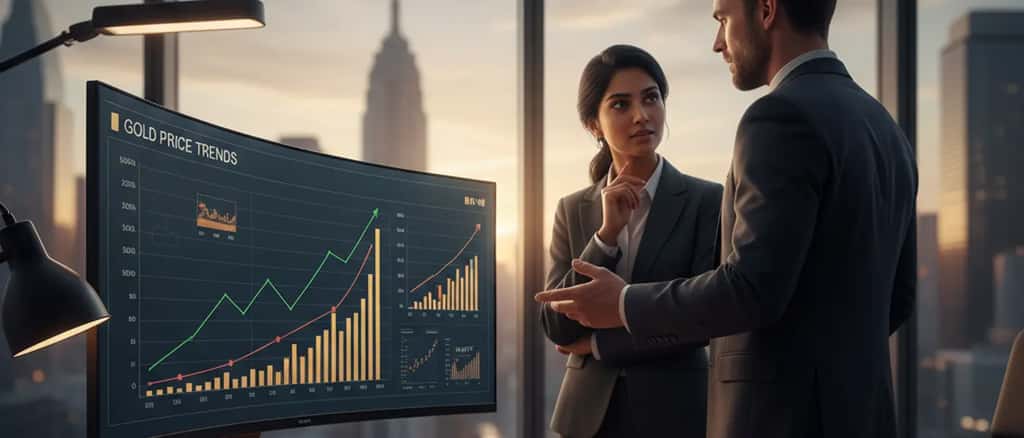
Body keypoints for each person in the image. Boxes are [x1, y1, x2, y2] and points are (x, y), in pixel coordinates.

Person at [535, 1, 918, 437]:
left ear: (767, 10)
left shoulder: (778, 117)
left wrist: (623, 305)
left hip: (780, 418)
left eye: (723, 19)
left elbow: (749, 289)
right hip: (862, 414)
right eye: (621, 104)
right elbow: (899, 296)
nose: (718, 43)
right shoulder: (885, 126)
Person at [540, 44, 723, 438]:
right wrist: (605, 237)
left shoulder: (706, 201)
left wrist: (600, 345)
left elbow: (702, 319)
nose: (642, 115)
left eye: (651, 98)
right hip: (587, 419)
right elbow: (556, 325)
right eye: (621, 104)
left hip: (676, 415)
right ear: (593, 124)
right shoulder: (572, 209)